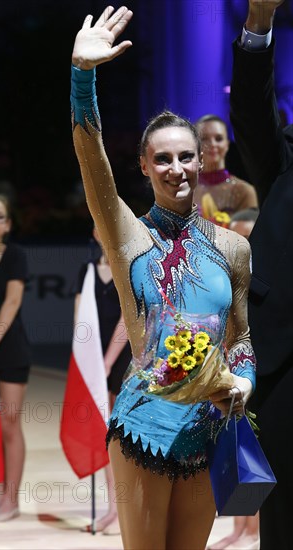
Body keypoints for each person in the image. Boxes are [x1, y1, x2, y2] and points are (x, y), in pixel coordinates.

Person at [70, 7, 256, 549]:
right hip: (142, 431)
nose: (176, 168)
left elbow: (239, 337)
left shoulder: (234, 249)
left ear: (202, 162)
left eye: (186, 157)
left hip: (208, 432)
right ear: (145, 166)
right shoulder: (127, 235)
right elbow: (91, 161)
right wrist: (83, 77)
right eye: (162, 159)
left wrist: (242, 381)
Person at [230, 1, 293, 549]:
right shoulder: (284, 161)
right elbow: (252, 112)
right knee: (284, 513)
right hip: (287, 361)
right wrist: (259, 22)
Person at [208, 207, 260, 550]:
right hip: (232, 367)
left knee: (254, 453)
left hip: (257, 372)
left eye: (249, 238)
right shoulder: (229, 276)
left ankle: (253, 531)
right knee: (238, 448)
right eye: (238, 237)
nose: (243, 244)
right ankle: (241, 527)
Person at [76, 226, 131, 535]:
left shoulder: (127, 266)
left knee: (121, 437)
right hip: (94, 359)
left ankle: (125, 509)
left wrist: (107, 363)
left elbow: (127, 319)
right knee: (106, 434)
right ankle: (112, 508)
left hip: (122, 359)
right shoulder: (85, 270)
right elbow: (80, 319)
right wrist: (90, 362)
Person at [0, 193, 31, 522]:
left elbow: (12, 302)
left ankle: (10, 500)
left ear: (9, 224)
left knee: (8, 424)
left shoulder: (15, 255)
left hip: (9, 350)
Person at [194, 114, 258, 219]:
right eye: (204, 138)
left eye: (218, 139)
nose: (212, 144)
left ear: (227, 144)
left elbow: (249, 233)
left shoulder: (244, 191)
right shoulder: (184, 190)